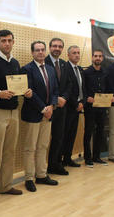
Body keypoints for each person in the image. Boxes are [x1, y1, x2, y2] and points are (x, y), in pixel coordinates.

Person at [0, 30, 32, 206]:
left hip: (13, 112)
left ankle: (5, 185)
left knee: (9, 151)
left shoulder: (15, 63)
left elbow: (18, 86)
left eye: (9, 41)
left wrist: (26, 91)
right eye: (3, 41)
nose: (7, 44)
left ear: (13, 42)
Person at [21, 41, 59, 192]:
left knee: (43, 146)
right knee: (30, 148)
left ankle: (42, 175)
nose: (41, 53)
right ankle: (29, 178)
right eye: (37, 50)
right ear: (32, 53)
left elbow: (55, 90)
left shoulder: (50, 69)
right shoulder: (26, 69)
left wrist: (52, 106)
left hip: (48, 113)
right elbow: (29, 92)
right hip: (33, 113)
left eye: (43, 50)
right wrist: (43, 108)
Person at [83, 50, 114, 167]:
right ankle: (88, 158)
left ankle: (97, 157)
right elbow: (83, 89)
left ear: (102, 58)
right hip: (90, 107)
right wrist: (87, 98)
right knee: (88, 132)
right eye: (96, 56)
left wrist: (112, 97)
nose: (98, 58)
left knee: (100, 132)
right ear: (92, 58)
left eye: (100, 56)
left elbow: (109, 88)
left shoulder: (105, 72)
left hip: (102, 106)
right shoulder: (86, 73)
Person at [46, 38, 71, 175]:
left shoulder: (64, 64)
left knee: (58, 137)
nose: (57, 48)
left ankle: (54, 164)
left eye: (60, 46)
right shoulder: (43, 62)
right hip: (48, 107)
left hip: (62, 108)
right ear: (50, 47)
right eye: (54, 46)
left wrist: (65, 98)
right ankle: (42, 168)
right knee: (43, 141)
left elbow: (69, 84)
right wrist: (55, 99)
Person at [61, 45, 86, 168]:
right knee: (64, 134)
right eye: (74, 53)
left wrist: (82, 102)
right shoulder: (65, 68)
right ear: (68, 55)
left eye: (78, 52)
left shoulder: (80, 69)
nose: (77, 55)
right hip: (68, 107)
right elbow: (67, 89)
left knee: (72, 134)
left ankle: (68, 158)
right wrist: (75, 104)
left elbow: (83, 88)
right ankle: (59, 160)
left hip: (78, 107)